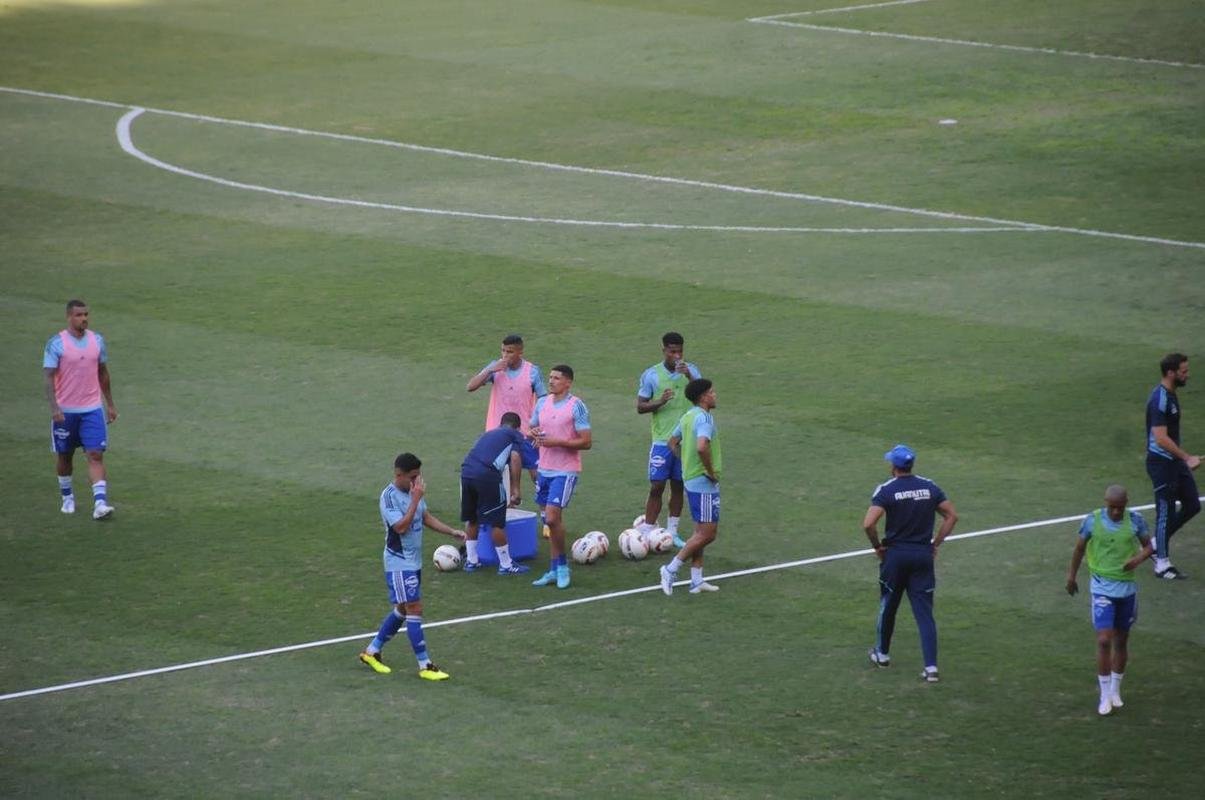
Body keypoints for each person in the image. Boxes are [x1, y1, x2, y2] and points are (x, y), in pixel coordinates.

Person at [359, 453, 466, 680]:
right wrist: (415, 499)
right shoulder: (388, 497)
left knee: (403, 608)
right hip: (399, 562)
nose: (417, 481)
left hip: (413, 561)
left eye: (418, 476)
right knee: (414, 607)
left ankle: (372, 651)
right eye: (413, 477)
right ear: (399, 475)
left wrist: (451, 532)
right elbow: (400, 527)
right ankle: (425, 665)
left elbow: (425, 517)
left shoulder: (412, 491)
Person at [862, 444, 958, 683]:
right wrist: (935, 543)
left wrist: (877, 547)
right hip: (922, 556)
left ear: (894, 466)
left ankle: (882, 654)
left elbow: (868, 524)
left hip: (895, 557)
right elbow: (951, 516)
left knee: (889, 605)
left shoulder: (887, 489)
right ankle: (931, 668)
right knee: (924, 613)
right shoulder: (929, 486)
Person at [1066, 484, 1153, 716]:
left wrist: (1137, 560)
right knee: (1104, 640)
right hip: (1102, 588)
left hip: (1126, 590)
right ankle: (1104, 695)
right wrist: (1071, 576)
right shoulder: (1092, 520)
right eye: (1112, 507)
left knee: (1121, 641)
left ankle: (1115, 690)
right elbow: (1079, 549)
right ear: (1106, 503)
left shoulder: (1135, 520)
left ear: (1126, 504)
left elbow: (1149, 547)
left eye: (1120, 507)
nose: (1116, 511)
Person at [43, 299, 118, 520]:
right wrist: (54, 408)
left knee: (95, 454)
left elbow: (103, 373)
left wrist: (110, 404)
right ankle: (67, 497)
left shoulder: (97, 341)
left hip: (92, 409)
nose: (84, 318)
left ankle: (100, 503)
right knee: (65, 456)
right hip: (65, 412)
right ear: (69, 317)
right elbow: (48, 377)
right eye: (79, 315)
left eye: (86, 314)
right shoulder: (56, 343)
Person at [636, 332, 702, 548]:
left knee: (678, 485)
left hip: (686, 441)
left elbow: (703, 396)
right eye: (672, 351)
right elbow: (640, 406)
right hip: (662, 441)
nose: (677, 356)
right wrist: (660, 401)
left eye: (680, 351)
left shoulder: (691, 370)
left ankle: (672, 531)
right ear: (664, 350)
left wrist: (689, 376)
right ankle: (648, 529)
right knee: (656, 486)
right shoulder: (651, 375)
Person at [529, 365, 592, 589]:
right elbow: (532, 427)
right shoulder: (541, 403)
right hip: (544, 469)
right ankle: (554, 569)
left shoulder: (577, 406)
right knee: (550, 521)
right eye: (550, 377)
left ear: (568, 383)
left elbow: (586, 441)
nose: (551, 381)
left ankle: (563, 567)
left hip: (565, 471)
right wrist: (532, 432)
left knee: (553, 518)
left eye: (556, 378)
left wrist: (557, 442)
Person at [659, 378, 722, 596]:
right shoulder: (704, 418)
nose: (715, 395)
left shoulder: (688, 416)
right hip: (703, 482)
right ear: (703, 397)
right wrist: (710, 472)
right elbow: (702, 447)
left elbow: (672, 442)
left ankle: (696, 580)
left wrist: (686, 463)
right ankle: (670, 569)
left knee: (699, 531)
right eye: (712, 392)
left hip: (691, 479)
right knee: (708, 533)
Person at [1144, 353, 1201, 580]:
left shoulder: (1170, 395)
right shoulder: (1159, 399)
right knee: (1165, 511)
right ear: (1171, 373)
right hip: (1162, 464)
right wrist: (1186, 458)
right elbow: (1160, 438)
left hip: (1174, 461)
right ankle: (1162, 564)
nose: (1187, 375)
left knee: (1192, 504)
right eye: (1183, 371)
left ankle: (1156, 543)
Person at [466, 334, 545, 495]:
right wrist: (490, 370)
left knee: (537, 473)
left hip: (525, 432)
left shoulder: (532, 371)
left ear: (520, 352)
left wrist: (537, 423)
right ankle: (510, 504)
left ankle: (546, 506)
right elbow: (470, 386)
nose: (505, 355)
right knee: (502, 474)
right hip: (497, 432)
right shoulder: (495, 368)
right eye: (503, 351)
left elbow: (543, 399)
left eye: (509, 351)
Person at [459, 412, 530, 575]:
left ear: (500, 423)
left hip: (466, 472)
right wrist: (516, 489)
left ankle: (471, 561)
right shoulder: (514, 435)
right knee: (497, 522)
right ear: (518, 427)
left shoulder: (487, 434)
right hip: (487, 476)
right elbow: (515, 458)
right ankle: (506, 565)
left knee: (473, 518)